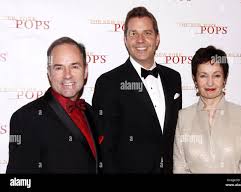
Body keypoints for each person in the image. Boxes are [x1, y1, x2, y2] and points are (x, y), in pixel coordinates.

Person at [92, 6, 182, 174]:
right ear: (125, 39)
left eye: (147, 33)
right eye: (133, 33)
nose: (140, 40)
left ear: (157, 39)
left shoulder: (173, 78)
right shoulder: (108, 83)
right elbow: (104, 149)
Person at [6, 37, 101, 173]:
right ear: (49, 73)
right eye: (59, 68)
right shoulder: (26, 118)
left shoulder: (91, 113)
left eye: (74, 66)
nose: (67, 75)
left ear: (85, 71)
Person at [173, 45, 241, 173]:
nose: (210, 83)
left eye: (216, 76)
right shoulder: (184, 116)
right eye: (203, 76)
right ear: (195, 79)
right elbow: (180, 166)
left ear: (225, 78)